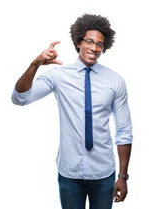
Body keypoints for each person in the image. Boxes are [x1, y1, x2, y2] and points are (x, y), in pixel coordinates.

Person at [11, 13, 132, 209]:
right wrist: (35, 65)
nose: (94, 48)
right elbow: (19, 98)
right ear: (78, 42)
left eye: (99, 44)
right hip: (70, 173)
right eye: (89, 41)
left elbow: (124, 130)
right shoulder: (59, 76)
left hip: (103, 173)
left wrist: (123, 176)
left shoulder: (115, 81)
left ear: (104, 47)